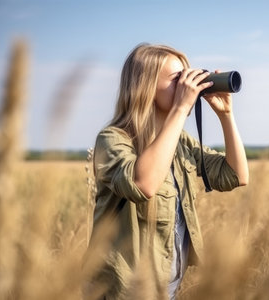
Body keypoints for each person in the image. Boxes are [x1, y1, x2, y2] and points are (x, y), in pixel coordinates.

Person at [86, 43, 249, 300]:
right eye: (177, 78)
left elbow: (236, 176)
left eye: (188, 75)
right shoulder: (113, 140)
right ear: (146, 86)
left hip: (166, 288)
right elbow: (143, 184)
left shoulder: (180, 142)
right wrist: (181, 108)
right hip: (123, 290)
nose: (187, 84)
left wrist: (226, 115)